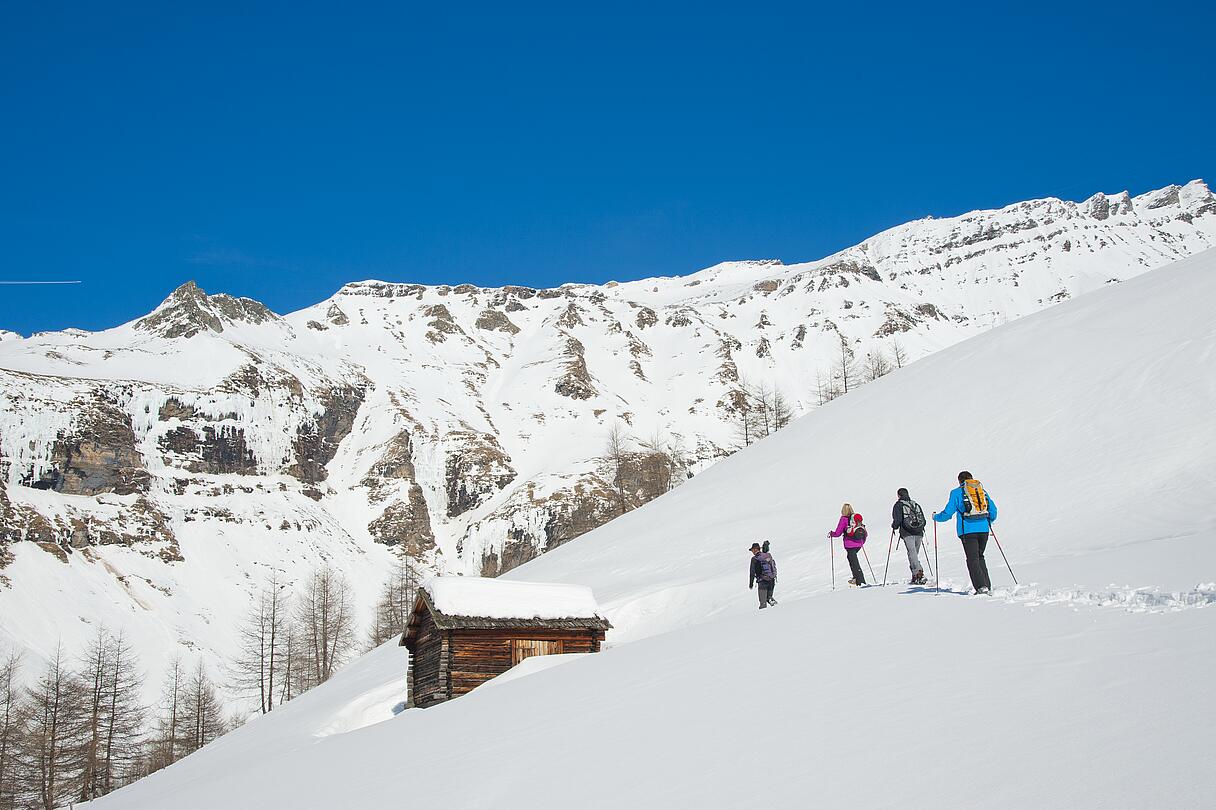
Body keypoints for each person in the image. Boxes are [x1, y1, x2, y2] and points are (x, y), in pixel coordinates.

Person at [933, 471, 999, 594]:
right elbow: (993, 510)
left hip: (967, 531)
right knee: (980, 557)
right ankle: (986, 585)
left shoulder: (956, 492)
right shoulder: (982, 491)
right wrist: (988, 521)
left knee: (972, 559)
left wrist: (936, 517)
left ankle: (981, 587)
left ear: (959, 481)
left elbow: (948, 513)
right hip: (984, 529)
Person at [891, 487, 927, 585]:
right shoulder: (915, 504)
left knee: (912, 553)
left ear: (899, 495)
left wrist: (894, 526)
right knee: (913, 554)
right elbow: (924, 520)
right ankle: (915, 576)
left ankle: (919, 573)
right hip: (919, 532)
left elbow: (897, 520)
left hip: (907, 533)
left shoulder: (898, 505)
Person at [828, 504, 867, 586]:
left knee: (854, 562)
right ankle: (856, 578)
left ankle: (860, 581)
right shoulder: (856, 518)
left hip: (850, 544)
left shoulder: (844, 519)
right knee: (852, 559)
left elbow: (838, 533)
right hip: (859, 543)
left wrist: (831, 534)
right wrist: (862, 541)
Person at [749, 542, 778, 608]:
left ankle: (764, 615)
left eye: (752, 550)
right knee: (769, 598)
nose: (752, 552)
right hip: (771, 580)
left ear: (755, 550)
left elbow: (752, 572)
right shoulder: (768, 555)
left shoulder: (754, 559)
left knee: (763, 603)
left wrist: (751, 584)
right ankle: (779, 609)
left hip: (762, 582)